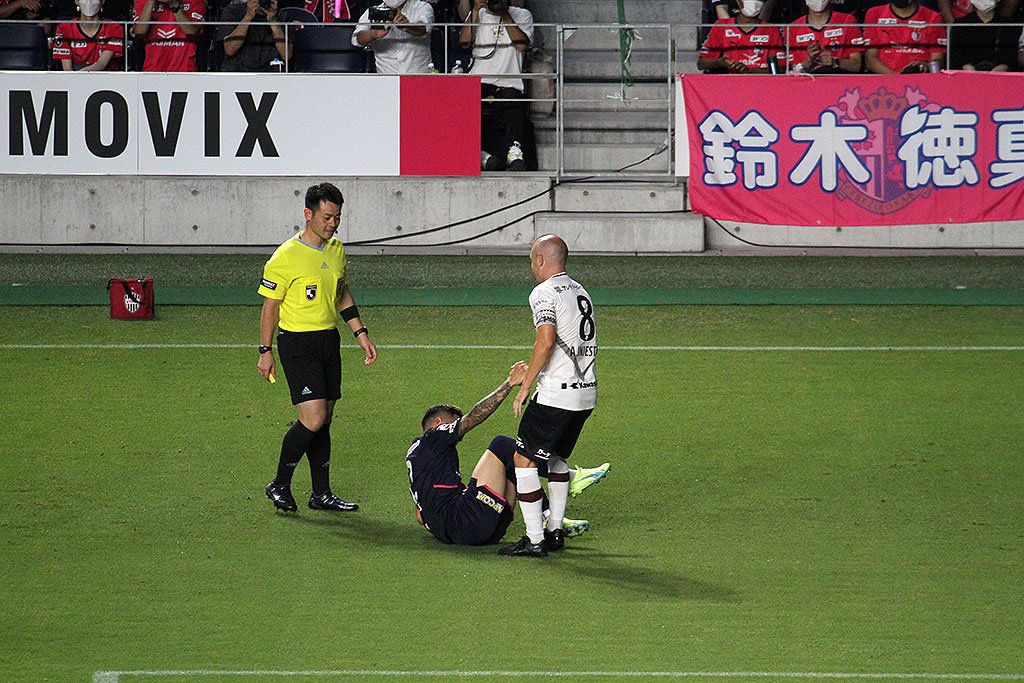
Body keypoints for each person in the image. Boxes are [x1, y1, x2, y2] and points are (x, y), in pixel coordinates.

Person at [257, 182, 378, 514]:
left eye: (337, 217)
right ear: (308, 214)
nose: (333, 224)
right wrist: (265, 351)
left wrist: (360, 333)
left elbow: (341, 293)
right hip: (298, 343)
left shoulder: (336, 249)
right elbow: (270, 307)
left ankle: (321, 494)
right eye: (327, 217)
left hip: (328, 341)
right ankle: (279, 484)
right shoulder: (285, 256)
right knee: (313, 418)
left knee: (324, 420)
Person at [408, 364, 612, 547]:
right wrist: (509, 384)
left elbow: (419, 516)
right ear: (438, 423)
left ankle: (548, 515)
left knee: (515, 463)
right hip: (467, 521)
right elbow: (472, 418)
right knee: (501, 445)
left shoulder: (417, 459)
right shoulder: (432, 438)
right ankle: (568, 478)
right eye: (453, 422)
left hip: (470, 531)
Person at [500, 234, 599, 558]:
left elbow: (545, 340)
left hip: (558, 394)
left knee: (523, 460)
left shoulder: (543, 292)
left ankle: (534, 539)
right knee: (556, 458)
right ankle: (555, 531)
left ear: (541, 259)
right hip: (586, 393)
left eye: (532, 260)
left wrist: (525, 386)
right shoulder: (581, 290)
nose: (532, 267)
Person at [460, 0, 535, 171]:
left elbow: (521, 45)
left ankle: (515, 154)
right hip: (479, 80)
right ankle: (479, 154)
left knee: (514, 110)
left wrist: (504, 13)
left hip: (509, 81)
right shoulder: (478, 14)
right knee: (465, 109)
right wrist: (476, 10)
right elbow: (464, 42)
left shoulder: (522, 14)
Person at [697, 0, 786, 73]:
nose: (753, 2)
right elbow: (701, 63)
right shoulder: (722, 26)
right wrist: (719, 62)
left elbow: (780, 68)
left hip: (761, 83)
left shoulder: (771, 29)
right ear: (738, 2)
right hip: (730, 83)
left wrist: (749, 71)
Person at [863, 0, 946, 73]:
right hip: (884, 78)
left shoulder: (933, 17)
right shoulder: (874, 13)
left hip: (920, 79)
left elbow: (938, 60)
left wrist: (926, 66)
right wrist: (898, 79)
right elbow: (870, 58)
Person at [353, 0, 433, 74]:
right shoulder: (371, 12)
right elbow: (356, 39)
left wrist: (408, 26)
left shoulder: (422, 7)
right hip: (387, 78)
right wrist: (371, 35)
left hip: (420, 76)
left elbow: (424, 29)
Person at [786, 0, 863, 73]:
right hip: (810, 81)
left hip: (841, 80)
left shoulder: (847, 21)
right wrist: (809, 60)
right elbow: (795, 72)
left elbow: (857, 66)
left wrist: (834, 61)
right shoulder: (793, 28)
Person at [216, 0, 291, 72]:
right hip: (237, 72)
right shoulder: (232, 10)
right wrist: (248, 17)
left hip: (270, 74)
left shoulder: (283, 15)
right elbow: (230, 49)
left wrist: (273, 21)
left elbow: (286, 55)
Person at [52, 0, 125, 71]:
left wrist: (81, 75)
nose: (89, 2)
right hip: (73, 77)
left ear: (102, 1)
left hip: (106, 76)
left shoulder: (115, 28)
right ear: (76, 1)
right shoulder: (63, 29)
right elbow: (67, 69)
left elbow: (101, 65)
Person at [133, 0, 205, 71]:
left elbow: (192, 32)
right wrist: (150, 2)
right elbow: (139, 32)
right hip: (152, 69)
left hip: (184, 68)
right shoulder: (142, 1)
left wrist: (174, 5)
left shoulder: (195, 1)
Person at [948, 0, 1018, 70]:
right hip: (968, 73)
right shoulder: (960, 25)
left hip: (1000, 73)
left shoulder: (1009, 25)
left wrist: (1002, 67)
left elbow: (1010, 57)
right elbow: (957, 55)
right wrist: (968, 68)